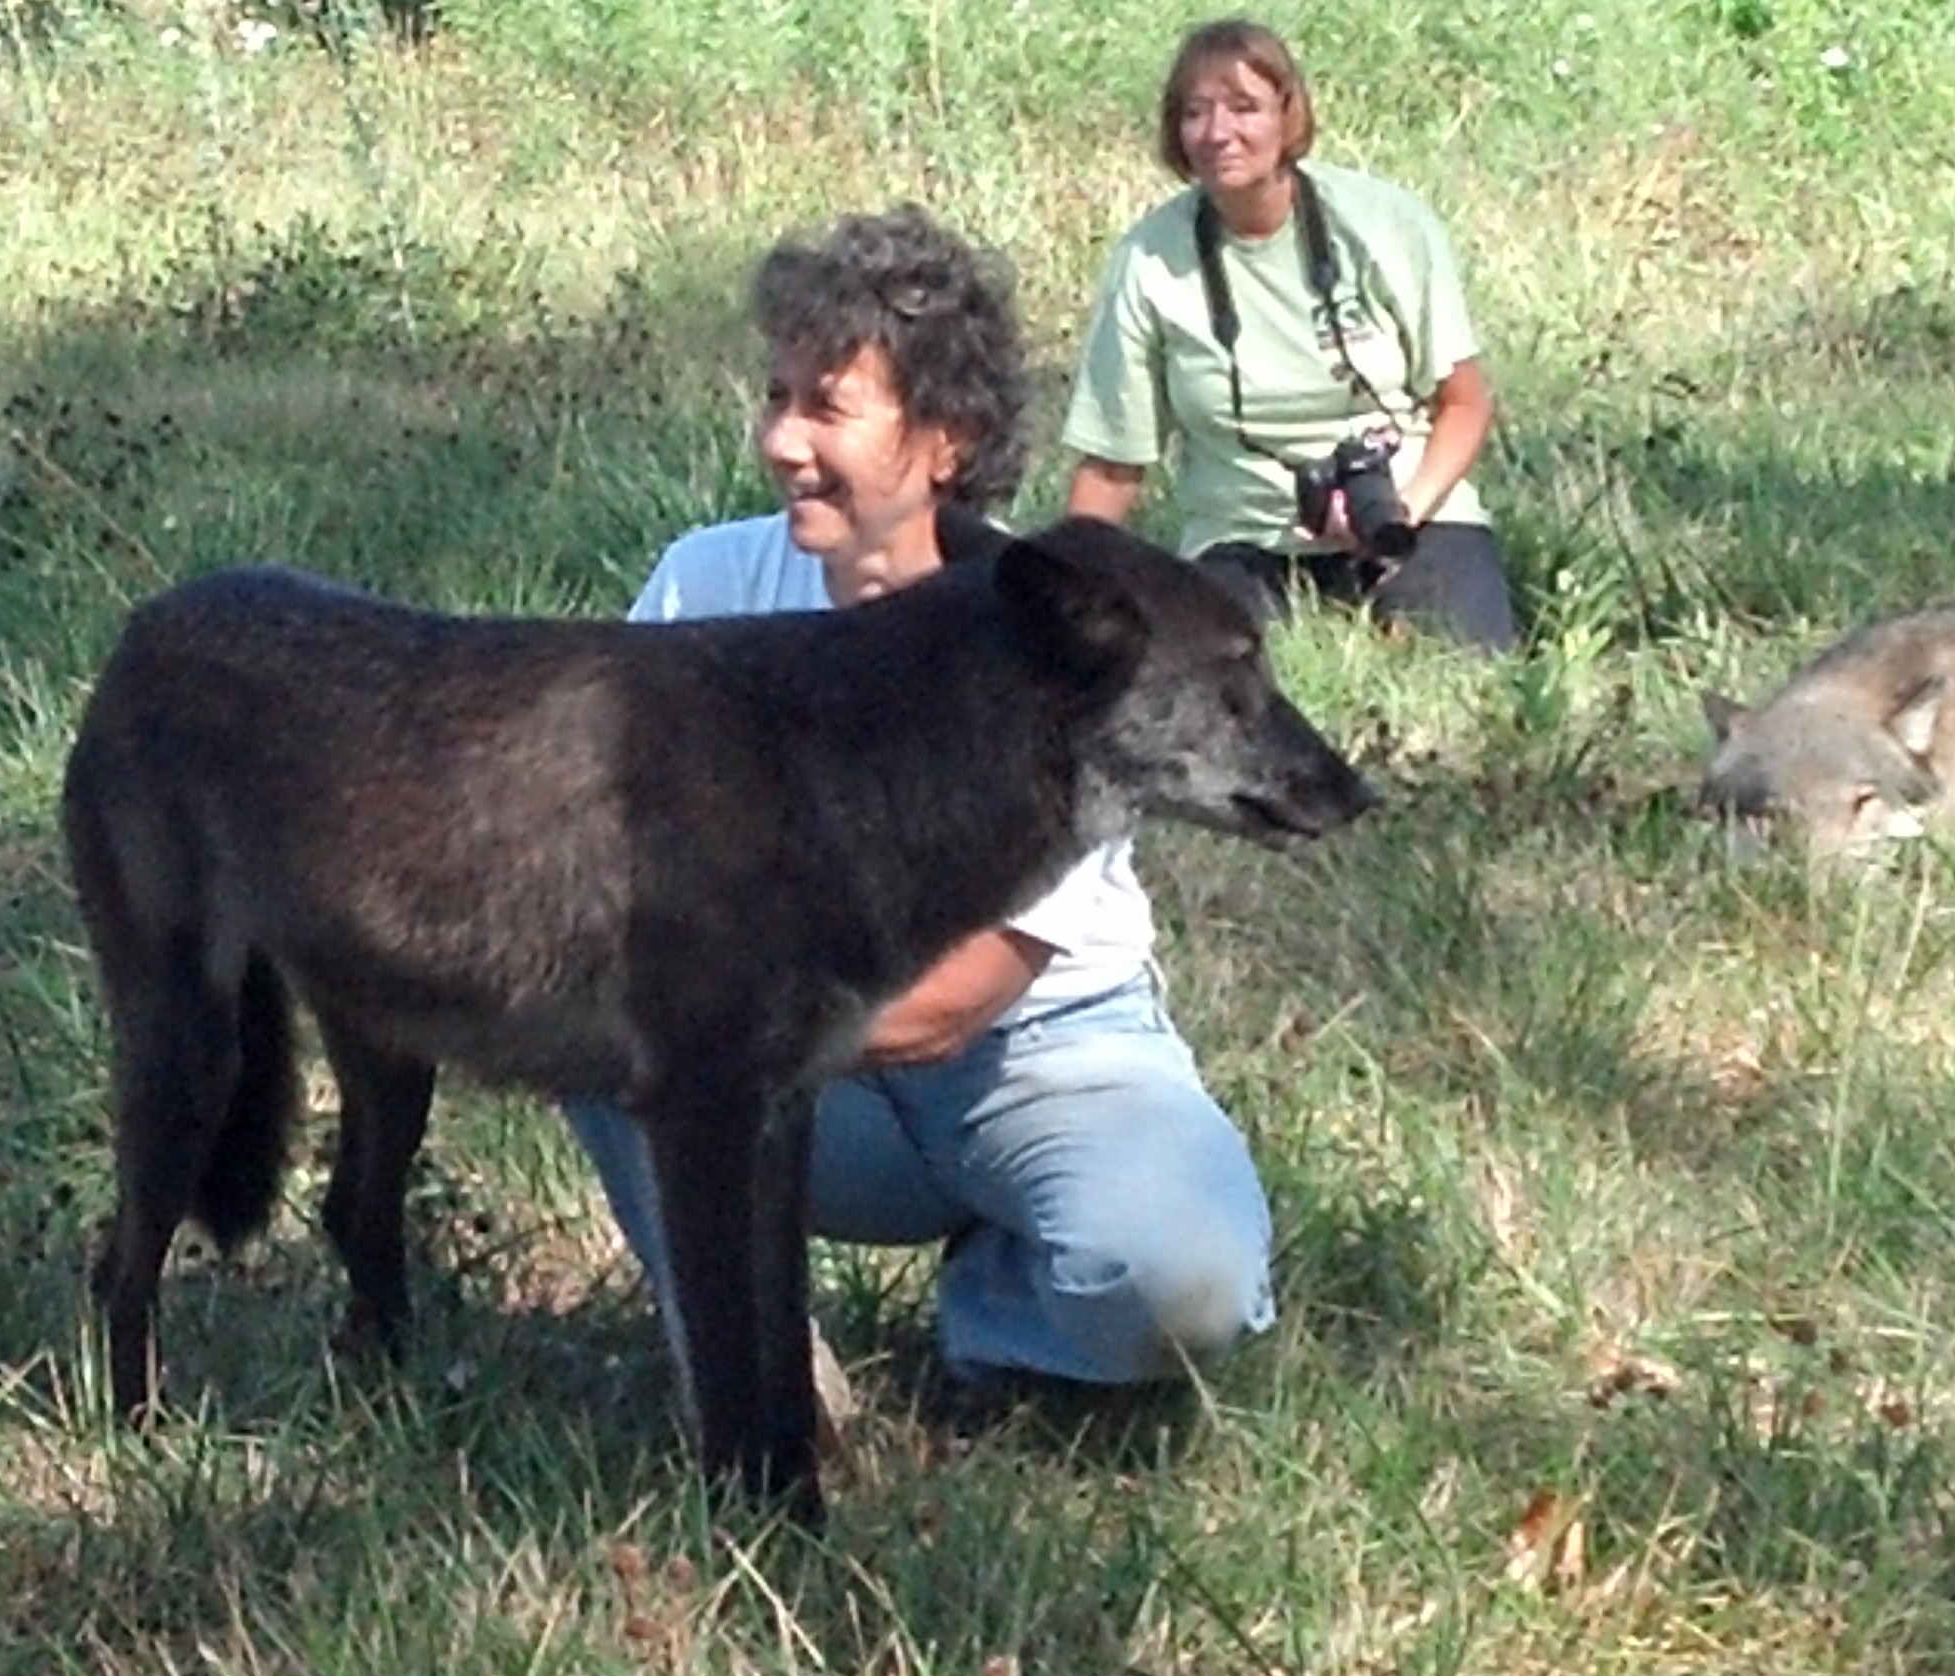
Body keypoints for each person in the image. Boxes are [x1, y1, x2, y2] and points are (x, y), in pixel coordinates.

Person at [563, 204, 1280, 1425]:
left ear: (946, 438)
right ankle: (756, 1367)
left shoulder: (1053, 631)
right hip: (804, 1067)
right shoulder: (706, 583)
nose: (784, 440)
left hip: (1039, 1052)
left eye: (827, 408)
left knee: (1185, 1285)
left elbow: (969, 987)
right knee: (591, 1016)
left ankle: (1001, 1314)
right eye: (776, 396)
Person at [1059, 17, 1519, 651]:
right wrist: (1054, 586)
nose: (1219, 133)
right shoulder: (1148, 261)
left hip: (1407, 512)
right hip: (1244, 533)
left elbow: (1465, 403)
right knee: (1217, 698)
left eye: (1244, 108)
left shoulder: (1387, 226)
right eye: (1196, 113)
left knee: (1466, 668)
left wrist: (1403, 510)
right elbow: (1114, 463)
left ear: (1287, 114)